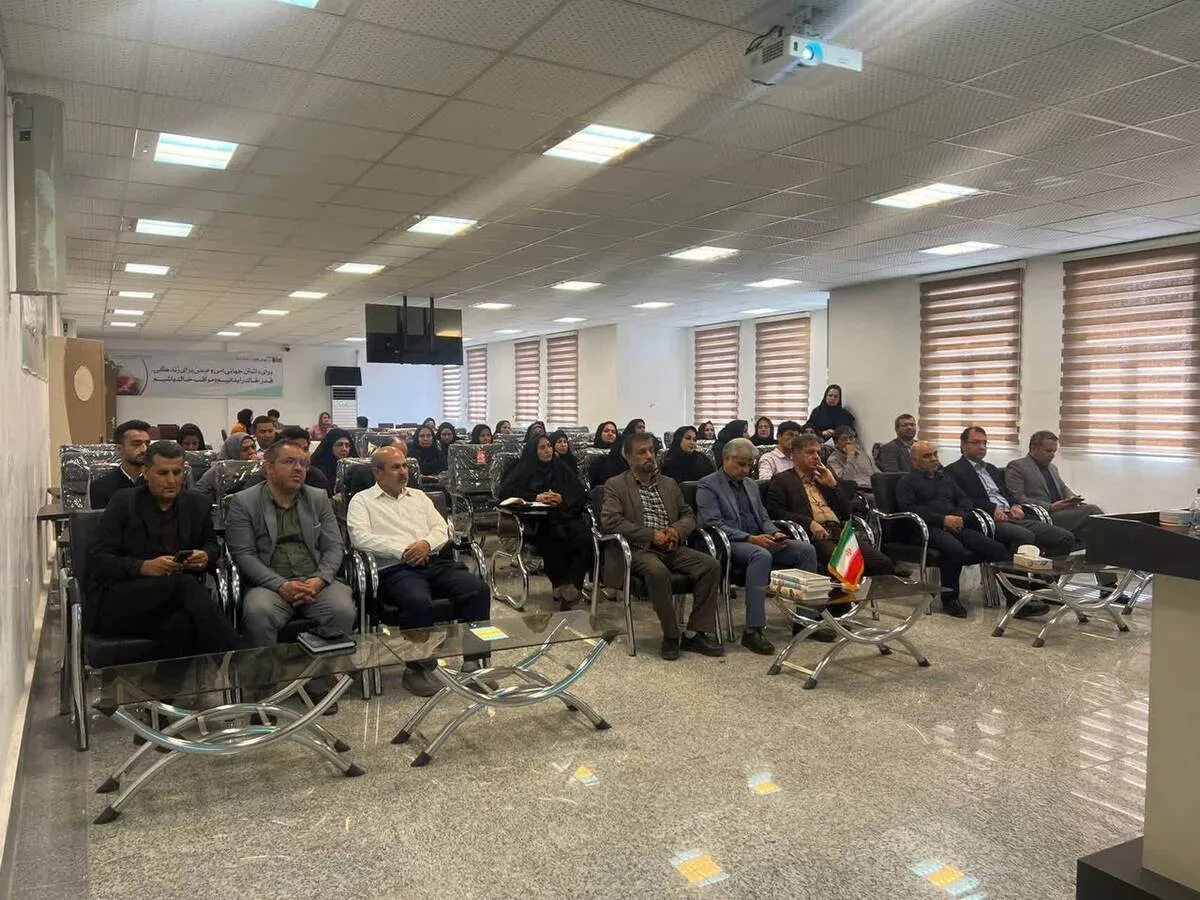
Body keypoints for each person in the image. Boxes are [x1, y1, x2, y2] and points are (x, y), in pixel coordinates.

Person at [348, 446, 493, 697]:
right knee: (417, 601)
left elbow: (441, 528)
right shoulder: (362, 501)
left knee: (477, 589)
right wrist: (404, 551)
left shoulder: (419, 497)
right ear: (377, 472)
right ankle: (417, 669)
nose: (403, 472)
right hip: (395, 568)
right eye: (395, 467)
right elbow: (360, 538)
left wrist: (425, 545)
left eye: (404, 466)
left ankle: (474, 663)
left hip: (433, 562)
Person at [87, 440, 241, 659]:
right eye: (163, 473)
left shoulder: (196, 505)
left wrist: (205, 556)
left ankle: (163, 682)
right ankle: (239, 657)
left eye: (177, 472)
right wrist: (143, 567)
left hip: (173, 604)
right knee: (185, 585)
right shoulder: (124, 502)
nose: (171, 480)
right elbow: (98, 559)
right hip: (123, 598)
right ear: (146, 473)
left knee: (180, 625)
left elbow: (211, 545)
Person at [600, 433, 723, 660]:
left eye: (651, 450)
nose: (650, 456)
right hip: (638, 549)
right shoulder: (616, 485)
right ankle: (671, 634)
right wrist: (651, 536)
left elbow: (688, 514)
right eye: (642, 452)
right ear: (627, 456)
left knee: (711, 566)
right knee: (658, 572)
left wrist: (676, 530)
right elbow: (611, 521)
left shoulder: (669, 484)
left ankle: (696, 632)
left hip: (671, 546)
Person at [225, 439, 357, 650]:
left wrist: (320, 579)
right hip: (269, 585)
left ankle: (329, 670)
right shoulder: (244, 502)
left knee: (342, 610)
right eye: (289, 462)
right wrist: (281, 585)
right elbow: (244, 555)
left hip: (316, 582)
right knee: (259, 613)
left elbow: (334, 546)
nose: (298, 468)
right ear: (269, 467)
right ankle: (266, 670)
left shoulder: (317, 498)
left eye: (303, 463)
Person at [697, 437, 820, 655]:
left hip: (759, 538)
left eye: (749, 465)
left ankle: (804, 621)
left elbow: (763, 517)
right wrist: (751, 539)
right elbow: (713, 524)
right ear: (726, 459)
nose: (746, 470)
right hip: (731, 543)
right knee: (761, 555)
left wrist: (774, 532)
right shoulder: (708, 485)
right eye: (741, 464)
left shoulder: (751, 485)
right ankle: (753, 630)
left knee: (806, 550)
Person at [896, 441, 1011, 618]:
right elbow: (910, 509)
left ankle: (1013, 597)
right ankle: (950, 601)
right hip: (925, 529)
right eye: (927, 456)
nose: (933, 459)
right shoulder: (907, 482)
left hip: (955, 525)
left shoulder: (945, 478)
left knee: (996, 548)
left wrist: (959, 516)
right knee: (954, 549)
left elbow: (964, 500)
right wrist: (943, 519)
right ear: (914, 461)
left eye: (935, 454)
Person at [766, 434, 894, 579]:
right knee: (843, 566)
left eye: (818, 452)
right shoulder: (782, 480)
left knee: (883, 564)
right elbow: (776, 512)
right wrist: (809, 523)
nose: (816, 457)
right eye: (810, 452)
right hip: (814, 536)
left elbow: (846, 512)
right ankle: (843, 593)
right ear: (795, 455)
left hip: (839, 532)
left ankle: (862, 593)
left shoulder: (824, 477)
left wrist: (833, 485)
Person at [946, 427, 1075, 557]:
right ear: (963, 444)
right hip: (989, 520)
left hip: (1012, 516)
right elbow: (963, 500)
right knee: (1024, 536)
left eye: (984, 443)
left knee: (1065, 537)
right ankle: (1014, 571)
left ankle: (1045, 569)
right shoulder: (953, 471)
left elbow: (1007, 493)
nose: (981, 447)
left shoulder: (991, 469)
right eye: (976, 442)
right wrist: (991, 508)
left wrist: (1015, 505)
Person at [498, 435, 594, 609]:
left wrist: (562, 498)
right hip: (538, 522)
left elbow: (579, 492)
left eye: (549, 446)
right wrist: (535, 497)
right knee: (554, 538)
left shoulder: (560, 467)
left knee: (586, 538)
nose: (548, 450)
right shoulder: (524, 469)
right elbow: (505, 493)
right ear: (533, 451)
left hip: (565, 516)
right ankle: (561, 584)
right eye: (542, 448)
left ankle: (573, 584)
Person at [1005, 431, 1103, 541]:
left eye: (1054, 451)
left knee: (1090, 520)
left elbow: (1062, 487)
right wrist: (1051, 507)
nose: (1052, 455)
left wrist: (1072, 499)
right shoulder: (1018, 466)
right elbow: (1018, 498)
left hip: (1061, 510)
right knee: (1092, 510)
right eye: (1048, 451)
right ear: (1033, 448)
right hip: (1043, 514)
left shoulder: (1052, 467)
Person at [243, 426, 330, 494]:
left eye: (305, 449)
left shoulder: (317, 478)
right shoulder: (261, 479)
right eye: (294, 450)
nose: (302, 455)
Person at [90, 419, 151, 509]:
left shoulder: (158, 483)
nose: (144, 449)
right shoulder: (101, 487)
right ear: (119, 449)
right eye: (136, 444)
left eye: (147, 444)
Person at [196, 434, 259, 502]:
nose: (252, 451)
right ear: (233, 452)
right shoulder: (220, 469)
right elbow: (199, 492)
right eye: (245, 449)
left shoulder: (258, 467)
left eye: (253, 447)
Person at [827, 427, 878, 491]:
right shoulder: (833, 461)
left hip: (875, 488)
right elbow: (846, 480)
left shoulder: (862, 454)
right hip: (857, 492)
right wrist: (850, 457)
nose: (848, 442)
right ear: (836, 443)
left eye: (851, 438)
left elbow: (875, 473)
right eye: (844, 439)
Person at [310, 428, 353, 493]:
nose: (344, 449)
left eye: (347, 445)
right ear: (330, 446)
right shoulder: (316, 470)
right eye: (339, 445)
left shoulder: (354, 467)